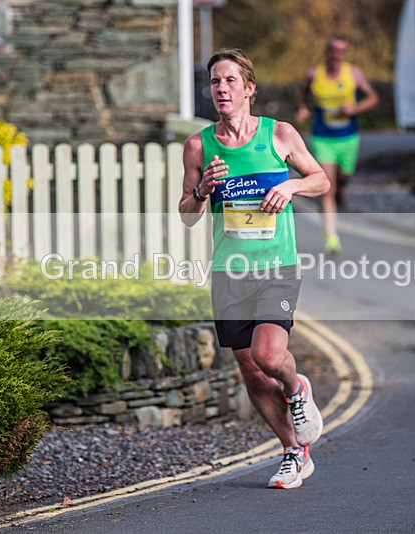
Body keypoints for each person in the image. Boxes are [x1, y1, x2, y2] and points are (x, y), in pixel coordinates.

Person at [179, 48, 329, 489]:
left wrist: (292, 184)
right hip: (230, 271)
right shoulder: (198, 145)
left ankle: (296, 385)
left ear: (249, 89)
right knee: (249, 369)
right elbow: (187, 213)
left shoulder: (278, 135)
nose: (220, 89)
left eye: (229, 81)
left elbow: (320, 179)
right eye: (213, 82)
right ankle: (293, 453)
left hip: (276, 265)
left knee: (267, 356)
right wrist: (202, 190)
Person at [295, 36, 379, 256]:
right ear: (327, 51)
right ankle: (332, 241)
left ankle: (338, 198)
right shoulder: (315, 74)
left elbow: (373, 98)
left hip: (348, 139)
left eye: (342, 51)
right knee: (328, 187)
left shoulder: (354, 73)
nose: (337, 55)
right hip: (322, 138)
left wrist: (355, 108)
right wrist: (303, 109)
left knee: (342, 183)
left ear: (346, 53)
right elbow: (302, 94)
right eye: (333, 50)